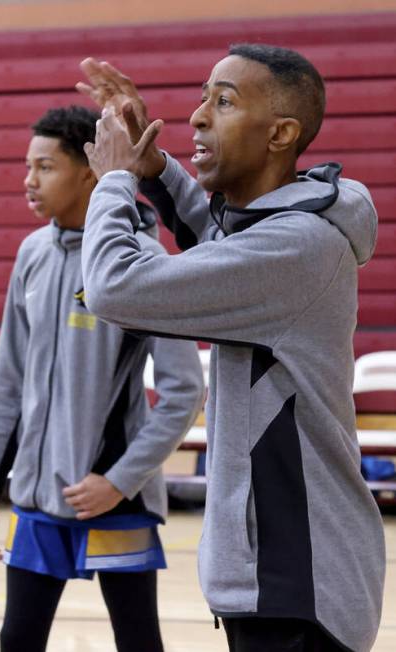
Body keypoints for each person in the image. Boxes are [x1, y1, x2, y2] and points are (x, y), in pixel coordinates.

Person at [77, 44, 384, 652]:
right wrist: (154, 167)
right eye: (201, 97)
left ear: (281, 134)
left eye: (223, 101)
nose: (195, 116)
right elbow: (213, 240)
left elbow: (115, 288)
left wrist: (113, 180)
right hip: (282, 584)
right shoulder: (284, 231)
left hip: (298, 589)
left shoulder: (296, 247)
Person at [0, 107, 205, 652]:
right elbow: (7, 382)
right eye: (27, 167)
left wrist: (120, 480)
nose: (29, 181)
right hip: (36, 496)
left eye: (45, 167)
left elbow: (185, 392)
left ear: (90, 172)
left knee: (138, 641)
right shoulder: (31, 254)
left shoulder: (143, 261)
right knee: (18, 639)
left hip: (109, 497)